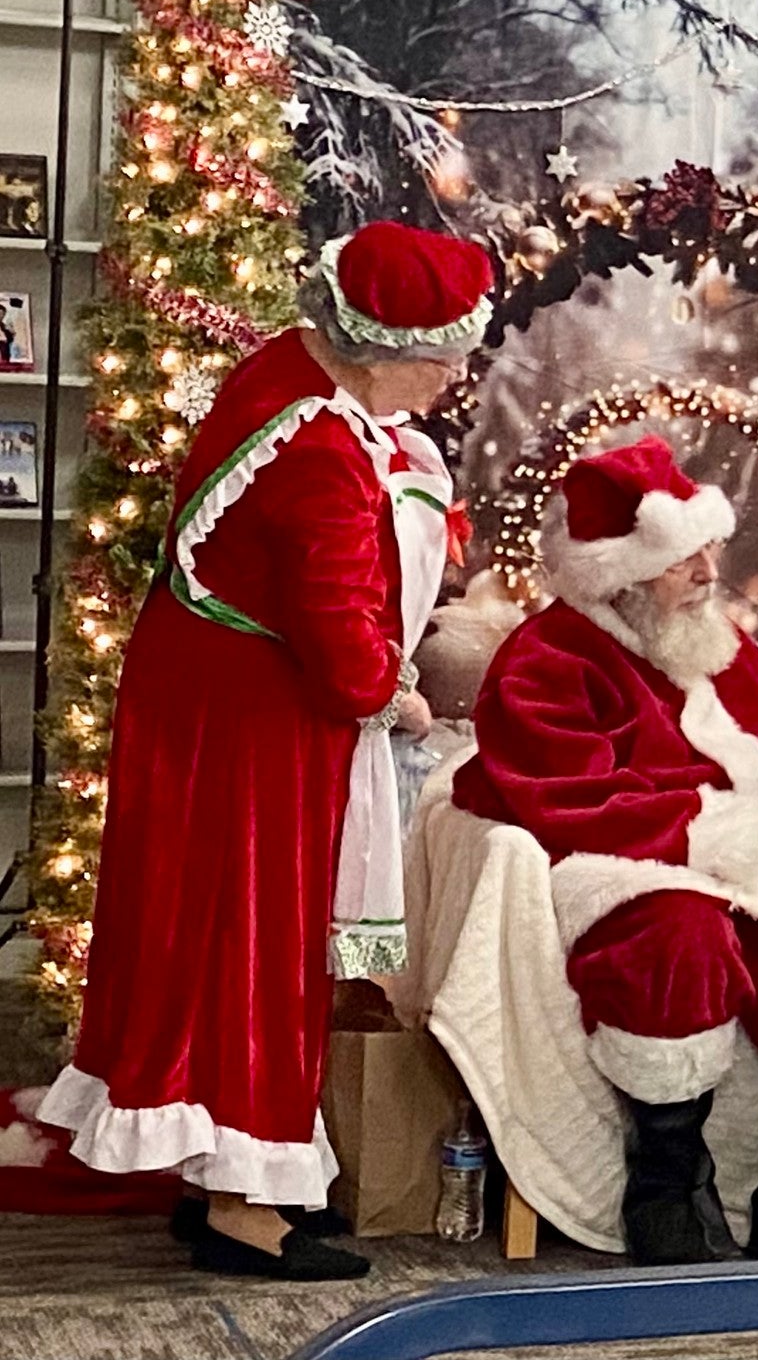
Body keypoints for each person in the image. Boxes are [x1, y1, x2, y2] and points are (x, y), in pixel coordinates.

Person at [41, 221, 494, 1281]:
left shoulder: (285, 377)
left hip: (206, 718)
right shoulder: (322, 453)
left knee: (203, 946)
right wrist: (402, 689)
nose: (450, 379)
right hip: (254, 739)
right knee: (257, 956)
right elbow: (343, 653)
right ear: (385, 345)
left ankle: (224, 1177)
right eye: (442, 357)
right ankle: (245, 1202)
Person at [452, 435, 758, 1264]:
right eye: (682, 559)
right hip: (625, 868)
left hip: (755, 863)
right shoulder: (546, 658)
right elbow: (566, 796)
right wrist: (706, 831)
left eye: (708, 549)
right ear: (617, 573)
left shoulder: (716, 642)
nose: (708, 573)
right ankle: (667, 1187)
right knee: (679, 943)